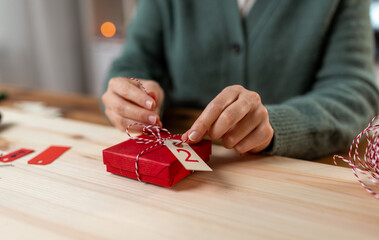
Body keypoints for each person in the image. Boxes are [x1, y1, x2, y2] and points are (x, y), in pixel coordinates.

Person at [102, 0, 379, 160]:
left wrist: (276, 123)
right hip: (174, 164)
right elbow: (133, 63)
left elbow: (354, 89)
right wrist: (132, 93)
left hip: (291, 172)